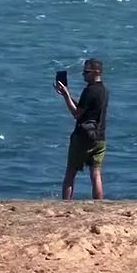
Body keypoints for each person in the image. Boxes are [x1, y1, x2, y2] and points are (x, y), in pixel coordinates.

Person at [56, 58, 110, 200]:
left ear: (96, 72)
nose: (83, 75)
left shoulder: (89, 91)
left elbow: (77, 114)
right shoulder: (104, 90)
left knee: (70, 173)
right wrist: (69, 95)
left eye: (86, 72)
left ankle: (66, 203)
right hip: (99, 137)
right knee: (96, 174)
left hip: (83, 137)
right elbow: (84, 108)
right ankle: (99, 204)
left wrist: (66, 96)